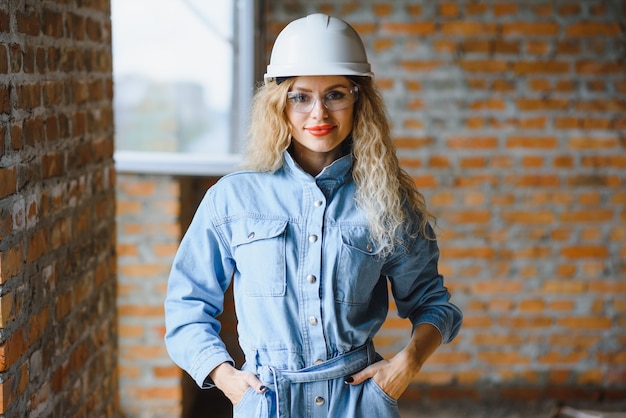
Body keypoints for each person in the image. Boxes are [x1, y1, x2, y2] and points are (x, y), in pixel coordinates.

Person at [164, 13, 462, 418]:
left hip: (358, 404)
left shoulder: (388, 201)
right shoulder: (233, 198)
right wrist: (226, 378)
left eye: (335, 94)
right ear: (279, 104)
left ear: (359, 99)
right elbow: (187, 304)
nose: (319, 113)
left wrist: (404, 366)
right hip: (267, 403)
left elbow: (433, 303)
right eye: (300, 96)